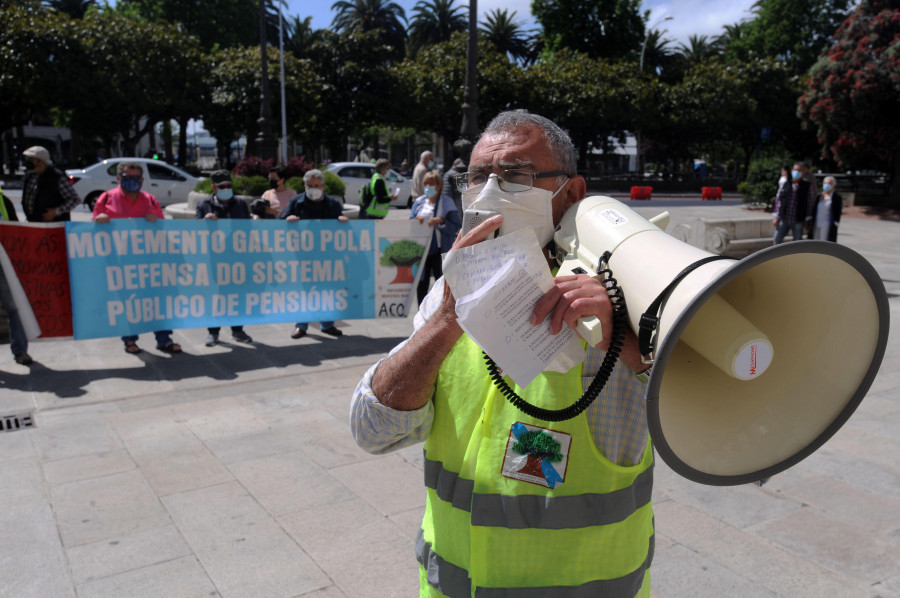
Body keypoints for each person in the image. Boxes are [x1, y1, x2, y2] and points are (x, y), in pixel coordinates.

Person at [351, 111, 654, 596]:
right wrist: (447, 320)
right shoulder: (445, 298)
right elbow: (371, 431)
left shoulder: (629, 301)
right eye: (475, 177)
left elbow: (712, 424)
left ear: (570, 194)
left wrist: (627, 339)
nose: (488, 191)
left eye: (516, 175)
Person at [93, 162, 181, 354]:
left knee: (158, 300)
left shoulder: (150, 200)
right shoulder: (106, 198)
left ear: (142, 180)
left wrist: (154, 221)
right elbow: (93, 228)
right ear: (118, 178)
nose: (132, 182)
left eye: (136, 178)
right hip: (120, 261)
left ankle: (164, 339)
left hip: (149, 261)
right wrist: (99, 220)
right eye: (127, 178)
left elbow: (161, 228)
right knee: (129, 302)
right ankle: (130, 340)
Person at [282, 169, 349, 339]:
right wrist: (287, 221)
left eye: (316, 185)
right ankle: (301, 326)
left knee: (327, 292)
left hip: (328, 258)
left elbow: (343, 228)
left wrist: (342, 221)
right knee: (305, 292)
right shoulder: (295, 202)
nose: (313, 188)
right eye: (309, 185)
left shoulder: (333, 204)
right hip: (303, 258)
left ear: (323, 186)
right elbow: (280, 225)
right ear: (305, 186)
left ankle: (327, 324)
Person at [195, 170, 253, 346]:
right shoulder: (204, 205)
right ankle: (213, 332)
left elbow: (248, 227)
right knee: (217, 296)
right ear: (214, 188)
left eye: (229, 186)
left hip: (238, 257)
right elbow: (193, 231)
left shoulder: (241, 204)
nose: (226, 189)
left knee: (238, 295)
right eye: (222, 187)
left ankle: (237, 330)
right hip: (215, 259)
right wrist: (204, 221)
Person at [409, 170, 460, 306]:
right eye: (426, 183)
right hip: (421, 249)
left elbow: (456, 225)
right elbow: (410, 224)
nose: (428, 187)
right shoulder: (419, 202)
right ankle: (422, 312)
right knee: (422, 282)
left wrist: (441, 221)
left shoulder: (447, 202)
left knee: (441, 281)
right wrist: (416, 220)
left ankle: (441, 311)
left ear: (439, 185)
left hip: (440, 249)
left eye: (431, 184)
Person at [0, 186, 33, 365]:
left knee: (14, 308)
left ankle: (20, 350)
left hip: (3, 266)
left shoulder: (3, 201)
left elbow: (15, 231)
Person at [21, 146, 81, 223]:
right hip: (34, 222)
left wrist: (56, 211)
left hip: (54, 225)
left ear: (42, 162)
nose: (28, 162)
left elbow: (75, 199)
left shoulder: (57, 177)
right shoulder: (29, 176)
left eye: (32, 159)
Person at [774, 162, 815, 244]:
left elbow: (810, 204)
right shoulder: (786, 183)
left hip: (798, 220)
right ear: (792, 171)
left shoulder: (807, 186)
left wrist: (807, 220)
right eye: (795, 169)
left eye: (799, 170)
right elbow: (779, 200)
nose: (797, 172)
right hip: (784, 217)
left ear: (803, 172)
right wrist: (776, 216)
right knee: (777, 239)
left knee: (797, 243)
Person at [809, 175, 842, 241]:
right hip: (816, 223)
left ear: (833, 185)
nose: (827, 185)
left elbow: (837, 212)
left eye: (829, 183)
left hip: (827, 225)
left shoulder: (836, 198)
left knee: (824, 243)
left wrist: (835, 223)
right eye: (825, 183)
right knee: (815, 242)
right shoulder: (819, 196)